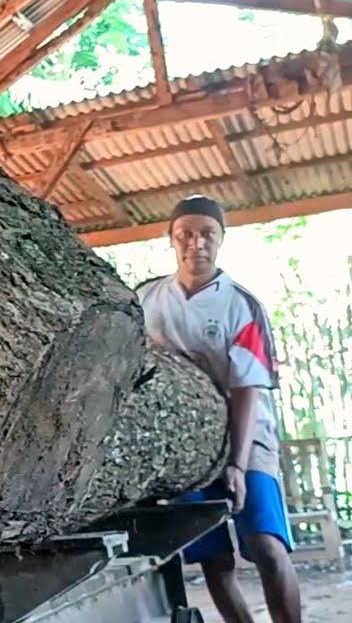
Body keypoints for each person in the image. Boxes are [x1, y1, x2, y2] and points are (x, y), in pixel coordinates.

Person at [135, 194, 301, 623]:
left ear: (221, 238)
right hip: (184, 443)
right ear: (171, 239)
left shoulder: (241, 306)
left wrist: (239, 466)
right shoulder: (146, 299)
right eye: (185, 234)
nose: (196, 243)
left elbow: (246, 389)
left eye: (207, 234)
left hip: (249, 433)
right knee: (213, 555)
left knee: (265, 546)